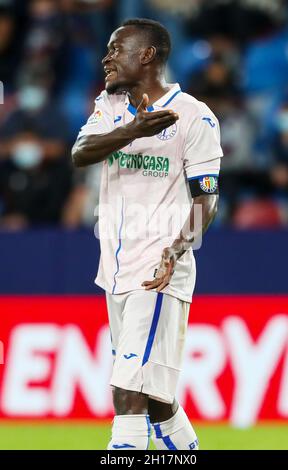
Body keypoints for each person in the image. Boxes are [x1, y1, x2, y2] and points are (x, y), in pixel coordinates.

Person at [72, 18, 223, 450]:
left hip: (158, 271)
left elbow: (205, 201)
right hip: (115, 270)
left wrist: (175, 251)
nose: (106, 58)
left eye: (116, 49)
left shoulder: (196, 117)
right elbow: (81, 153)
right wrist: (131, 132)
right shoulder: (111, 106)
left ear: (147, 55)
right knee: (157, 402)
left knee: (127, 393)